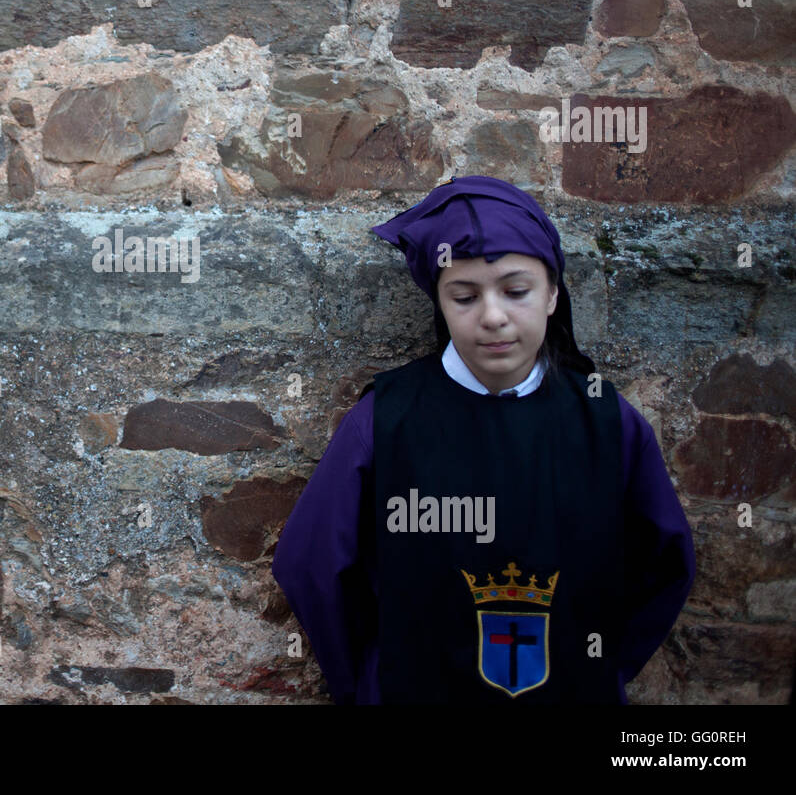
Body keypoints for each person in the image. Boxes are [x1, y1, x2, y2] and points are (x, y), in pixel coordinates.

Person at [271, 176, 694, 703]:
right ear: (440, 304)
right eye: (465, 296)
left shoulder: (607, 420)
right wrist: (367, 682)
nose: (493, 316)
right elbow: (309, 562)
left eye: (516, 292)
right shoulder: (384, 420)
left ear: (553, 294)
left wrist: (602, 667)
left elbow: (668, 560)